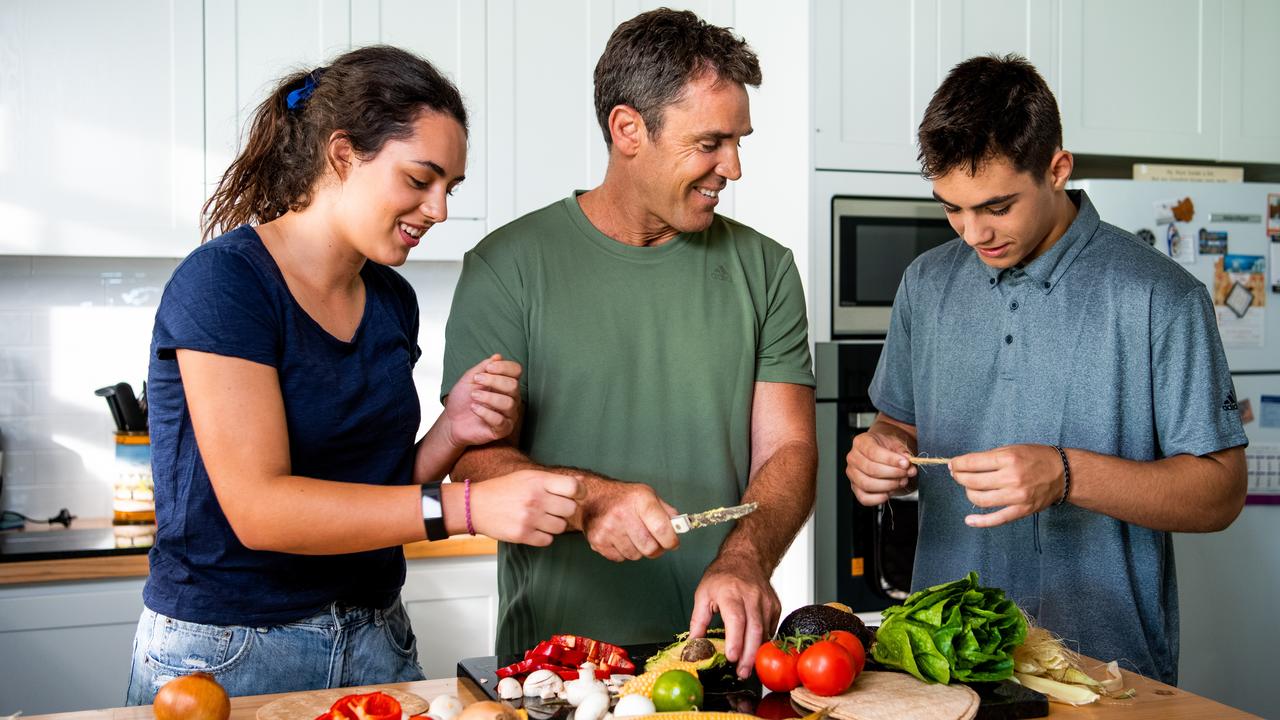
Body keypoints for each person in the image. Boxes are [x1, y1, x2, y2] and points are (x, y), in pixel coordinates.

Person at [126, 45, 583, 703]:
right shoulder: (225, 286)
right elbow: (263, 510)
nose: (439, 210)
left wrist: (449, 435)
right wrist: (473, 505)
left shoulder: (392, 300)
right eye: (420, 180)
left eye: (449, 189)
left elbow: (372, 496)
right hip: (230, 648)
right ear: (343, 154)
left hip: (376, 636)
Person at [845, 54, 1247, 685]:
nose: (974, 233)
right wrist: (877, 454)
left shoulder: (1160, 296)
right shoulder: (924, 283)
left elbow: (1220, 493)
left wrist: (1066, 475)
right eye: (952, 208)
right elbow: (898, 428)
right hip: (940, 663)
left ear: (1058, 169)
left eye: (997, 207)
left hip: (1106, 673)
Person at [441, 9, 816, 675]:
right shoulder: (507, 267)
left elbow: (788, 449)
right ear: (628, 130)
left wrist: (744, 557)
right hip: (557, 663)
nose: (733, 167)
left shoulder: (767, 269)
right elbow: (474, 464)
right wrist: (590, 500)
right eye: (710, 143)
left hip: (718, 654)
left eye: (739, 140)